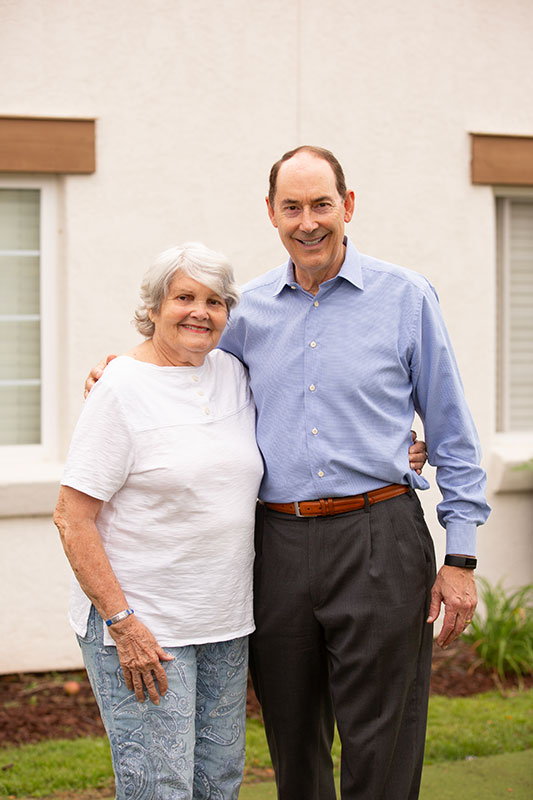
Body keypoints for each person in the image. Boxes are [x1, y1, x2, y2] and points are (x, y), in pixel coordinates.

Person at [85, 146, 483, 800]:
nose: (308, 222)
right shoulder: (245, 312)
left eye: (321, 204)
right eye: (291, 207)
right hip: (276, 546)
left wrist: (460, 557)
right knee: (293, 744)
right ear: (271, 213)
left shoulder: (405, 297)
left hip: (379, 538)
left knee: (382, 742)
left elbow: (452, 433)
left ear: (347, 206)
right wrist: (117, 369)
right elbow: (180, 357)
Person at [54, 242, 265, 800]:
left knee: (218, 782)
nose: (200, 312)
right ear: (153, 308)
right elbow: (72, 518)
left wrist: (398, 450)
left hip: (223, 621)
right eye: (184, 298)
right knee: (159, 788)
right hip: (143, 625)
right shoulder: (120, 389)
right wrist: (123, 624)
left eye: (214, 301)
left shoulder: (233, 373)